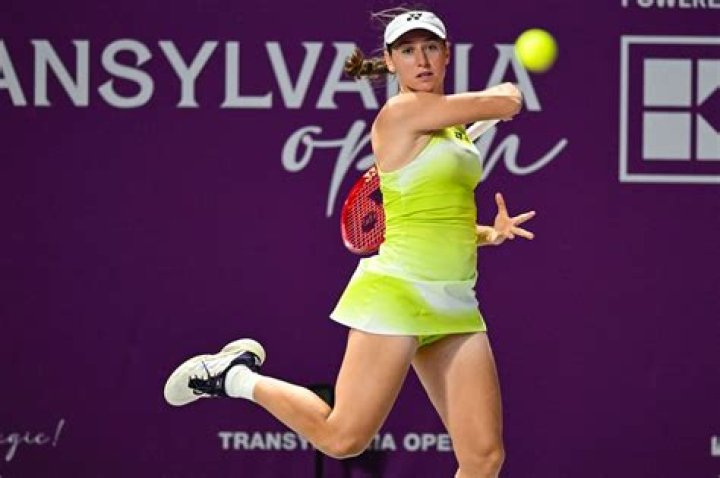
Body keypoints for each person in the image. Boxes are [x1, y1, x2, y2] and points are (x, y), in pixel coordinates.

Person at [164, 9, 535, 478]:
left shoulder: (455, 132)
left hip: (455, 298)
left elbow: (432, 220)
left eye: (430, 48)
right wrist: (509, 91)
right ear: (391, 62)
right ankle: (232, 376)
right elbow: (508, 101)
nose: (421, 60)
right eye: (407, 51)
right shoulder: (401, 113)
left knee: (483, 458)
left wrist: (488, 234)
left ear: (447, 54)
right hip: (399, 293)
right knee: (343, 438)